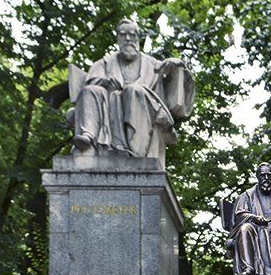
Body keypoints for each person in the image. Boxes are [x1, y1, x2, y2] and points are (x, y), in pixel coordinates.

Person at [72, 18, 195, 167]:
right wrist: (105, 83)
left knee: (133, 90)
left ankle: (134, 151)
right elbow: (88, 86)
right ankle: (88, 137)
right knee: (90, 90)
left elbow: (176, 89)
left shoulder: (153, 65)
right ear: (118, 38)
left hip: (143, 110)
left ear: (138, 38)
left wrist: (176, 66)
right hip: (107, 110)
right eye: (123, 34)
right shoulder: (104, 64)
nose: (128, 39)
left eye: (132, 35)